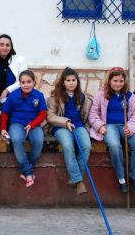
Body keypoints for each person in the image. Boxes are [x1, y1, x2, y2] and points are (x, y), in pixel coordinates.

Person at [88, 67, 135, 194]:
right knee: (114, 145)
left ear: (125, 81)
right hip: (109, 125)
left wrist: (130, 127)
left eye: (121, 81)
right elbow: (93, 114)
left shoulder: (130, 96)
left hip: (126, 125)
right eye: (115, 81)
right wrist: (100, 126)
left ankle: (134, 178)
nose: (118, 84)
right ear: (109, 81)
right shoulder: (101, 95)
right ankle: (121, 177)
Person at [46, 67, 92, 195]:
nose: (71, 82)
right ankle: (79, 181)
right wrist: (65, 122)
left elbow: (85, 116)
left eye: (74, 80)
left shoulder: (82, 97)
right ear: (63, 82)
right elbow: (50, 117)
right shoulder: (55, 97)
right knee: (67, 146)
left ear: (77, 82)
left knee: (86, 146)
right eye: (68, 80)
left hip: (78, 125)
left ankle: (74, 178)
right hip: (61, 126)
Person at [0, 70, 47, 188]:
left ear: (34, 82)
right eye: (23, 82)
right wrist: (3, 129)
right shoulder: (13, 95)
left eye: (29, 82)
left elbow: (43, 114)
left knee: (38, 141)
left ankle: (27, 172)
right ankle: (28, 172)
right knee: (16, 140)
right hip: (16, 123)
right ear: (19, 84)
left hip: (33, 124)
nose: (26, 85)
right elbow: (5, 113)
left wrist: (32, 125)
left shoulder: (39, 96)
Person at [0, 34, 27, 102]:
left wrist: (7, 90)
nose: (4, 47)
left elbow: (24, 81)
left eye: (7, 45)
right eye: (1, 44)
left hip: (15, 100)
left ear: (11, 47)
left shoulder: (20, 60)